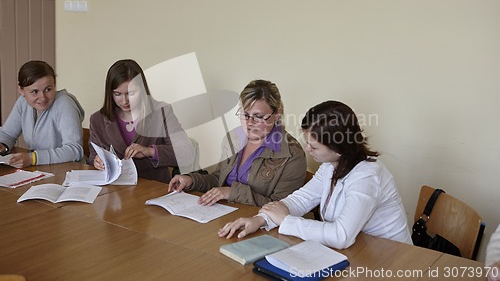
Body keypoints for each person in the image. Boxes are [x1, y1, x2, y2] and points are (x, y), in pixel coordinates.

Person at [218, 100, 412, 249]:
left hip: (392, 258)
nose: (307, 149)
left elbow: (341, 236)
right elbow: (301, 199)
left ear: (339, 148)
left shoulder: (368, 176)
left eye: (314, 146)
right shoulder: (331, 165)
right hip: (359, 251)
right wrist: (260, 220)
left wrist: (285, 221)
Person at [168, 79, 306, 207]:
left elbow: (282, 207)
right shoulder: (233, 138)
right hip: (222, 215)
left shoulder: (292, 154)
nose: (250, 123)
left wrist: (231, 192)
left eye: (258, 117)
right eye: (245, 115)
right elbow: (218, 179)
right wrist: (192, 180)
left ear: (277, 114)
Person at [88, 59, 194, 183]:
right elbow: (92, 158)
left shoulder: (162, 112)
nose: (124, 101)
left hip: (154, 187)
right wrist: (98, 161)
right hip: (114, 190)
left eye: (131, 93)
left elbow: (187, 153)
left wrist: (149, 151)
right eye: (117, 94)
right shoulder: (98, 119)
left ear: (143, 89)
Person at [0, 60, 85, 167]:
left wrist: (33, 158)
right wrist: (2, 145)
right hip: (40, 171)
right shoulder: (23, 102)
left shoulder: (65, 103)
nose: (43, 97)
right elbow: (7, 134)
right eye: (35, 92)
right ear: (21, 90)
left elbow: (75, 150)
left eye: (48, 89)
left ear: (55, 85)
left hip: (69, 172)